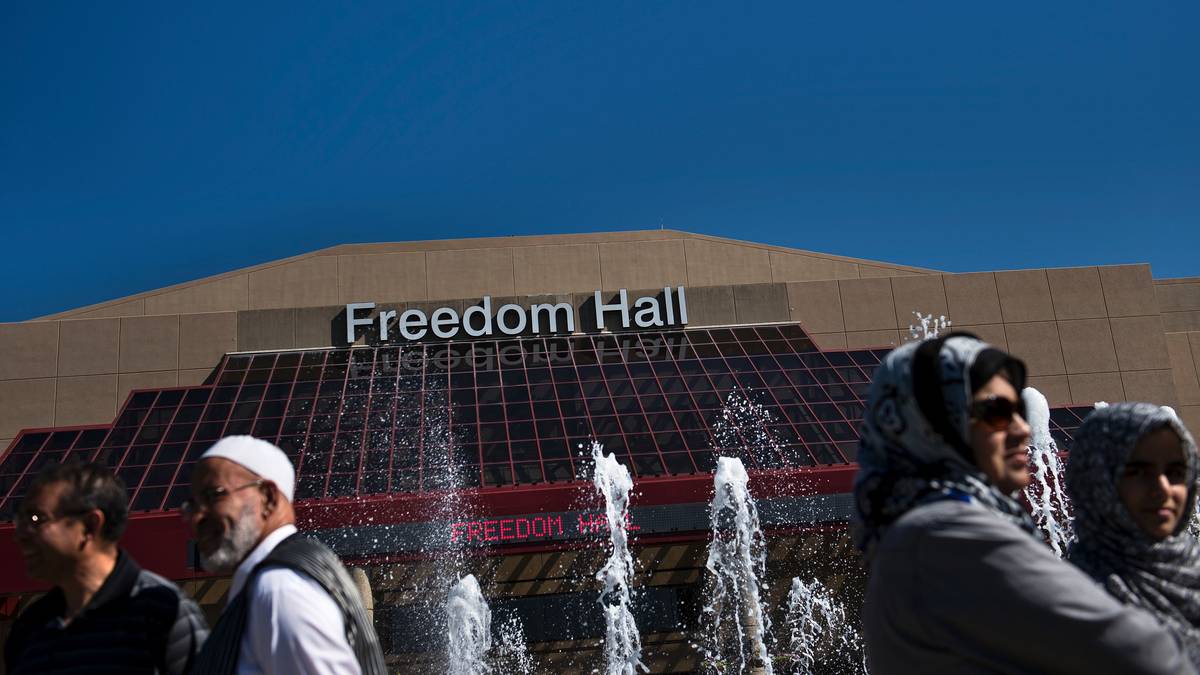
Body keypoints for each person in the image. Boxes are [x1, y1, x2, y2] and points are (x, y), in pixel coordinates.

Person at [854, 332, 1195, 675]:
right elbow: (1141, 653)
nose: (1022, 429)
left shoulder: (916, 530)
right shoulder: (951, 534)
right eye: (997, 413)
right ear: (934, 423)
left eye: (1017, 411)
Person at [186, 435, 386, 675]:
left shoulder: (280, 589)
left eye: (213, 496)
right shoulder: (285, 577)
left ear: (268, 498)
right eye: (192, 504)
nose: (196, 516)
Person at [5, 462, 208, 675]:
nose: (20, 535)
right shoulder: (29, 627)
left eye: (37, 519)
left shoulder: (162, 609)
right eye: (22, 521)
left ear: (90, 526)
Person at [1066, 402, 1200, 664]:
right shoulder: (1075, 603)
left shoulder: (1191, 565)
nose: (1162, 489)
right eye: (1137, 472)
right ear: (1096, 479)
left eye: (1175, 472)